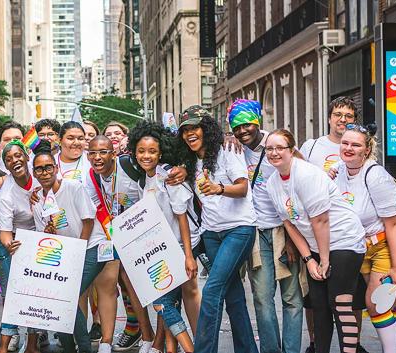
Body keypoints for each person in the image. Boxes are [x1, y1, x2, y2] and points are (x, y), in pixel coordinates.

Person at [265, 129, 366, 353]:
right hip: (316, 246)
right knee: (319, 306)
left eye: (280, 148)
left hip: (343, 240)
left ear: (291, 151)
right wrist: (310, 259)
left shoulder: (306, 175)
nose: (274, 153)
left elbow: (320, 220)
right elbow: (290, 224)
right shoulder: (272, 183)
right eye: (269, 149)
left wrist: (325, 260)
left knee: (339, 303)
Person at [177, 105, 258, 353]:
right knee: (233, 297)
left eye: (195, 128)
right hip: (211, 233)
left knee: (212, 290)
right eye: (186, 130)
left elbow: (243, 187)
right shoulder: (190, 160)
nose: (190, 133)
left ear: (207, 129)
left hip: (238, 230)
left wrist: (219, 188)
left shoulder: (227, 149)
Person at [330, 124, 396, 353]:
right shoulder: (337, 170)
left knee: (375, 301)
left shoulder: (376, 176)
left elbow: (393, 224)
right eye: (345, 143)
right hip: (364, 243)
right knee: (386, 298)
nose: (348, 148)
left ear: (366, 150)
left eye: (355, 145)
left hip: (389, 239)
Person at [228, 99, 304, 353]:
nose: (242, 131)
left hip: (286, 230)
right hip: (257, 233)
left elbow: (301, 188)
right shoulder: (233, 148)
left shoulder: (276, 145)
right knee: (262, 298)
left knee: (292, 298)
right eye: (236, 127)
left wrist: (295, 239)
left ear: (257, 121)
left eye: (247, 124)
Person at [299, 96, 368, 353]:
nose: (342, 119)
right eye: (338, 114)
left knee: (350, 297)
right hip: (314, 233)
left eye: (348, 116)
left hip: (349, 235)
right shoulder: (312, 146)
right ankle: (316, 342)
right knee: (315, 299)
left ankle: (353, 345)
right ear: (329, 117)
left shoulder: (361, 150)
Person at [127, 121, 201, 353]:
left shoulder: (168, 175)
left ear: (161, 153)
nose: (146, 156)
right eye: (141, 151)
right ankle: (171, 348)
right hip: (161, 248)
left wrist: (188, 256)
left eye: (152, 151)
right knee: (169, 301)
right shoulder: (144, 179)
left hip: (181, 246)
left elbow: (181, 217)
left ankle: (190, 349)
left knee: (162, 302)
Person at [29, 142, 105, 353]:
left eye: (48, 167)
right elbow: (43, 233)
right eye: (39, 169)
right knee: (60, 299)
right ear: (34, 173)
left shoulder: (73, 187)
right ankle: (70, 347)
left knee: (67, 297)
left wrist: (78, 251)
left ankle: (83, 348)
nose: (44, 172)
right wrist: (49, 233)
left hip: (91, 248)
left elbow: (88, 221)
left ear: (55, 168)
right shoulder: (36, 201)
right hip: (64, 255)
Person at [86, 136, 154, 353]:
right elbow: (99, 207)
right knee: (125, 280)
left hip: (146, 227)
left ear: (113, 153)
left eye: (103, 152)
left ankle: (156, 338)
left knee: (146, 285)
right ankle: (145, 335)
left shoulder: (127, 165)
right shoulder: (92, 177)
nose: (98, 157)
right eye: (93, 153)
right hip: (118, 232)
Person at [0, 140, 41, 353]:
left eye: (17, 155)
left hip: (41, 236)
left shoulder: (40, 172)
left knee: (36, 291)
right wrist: (11, 245)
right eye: (8, 159)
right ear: (5, 166)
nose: (14, 160)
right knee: (13, 292)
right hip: (14, 239)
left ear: (26, 156)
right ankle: (5, 343)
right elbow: (4, 233)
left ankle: (33, 341)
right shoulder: (6, 194)